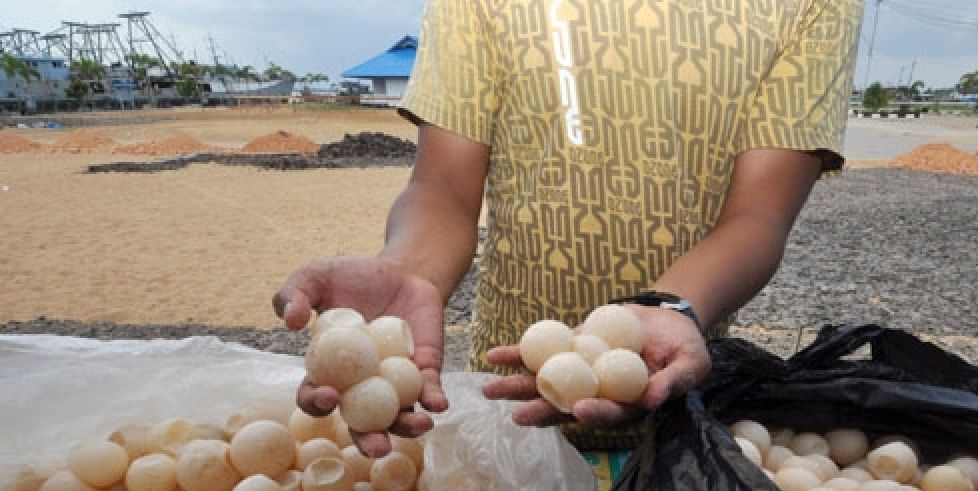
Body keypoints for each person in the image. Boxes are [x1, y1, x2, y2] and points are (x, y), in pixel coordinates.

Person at [274, 0, 863, 463]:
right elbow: (444, 187)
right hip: (506, 405)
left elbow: (758, 214)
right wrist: (410, 270)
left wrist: (667, 308)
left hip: (679, 413)